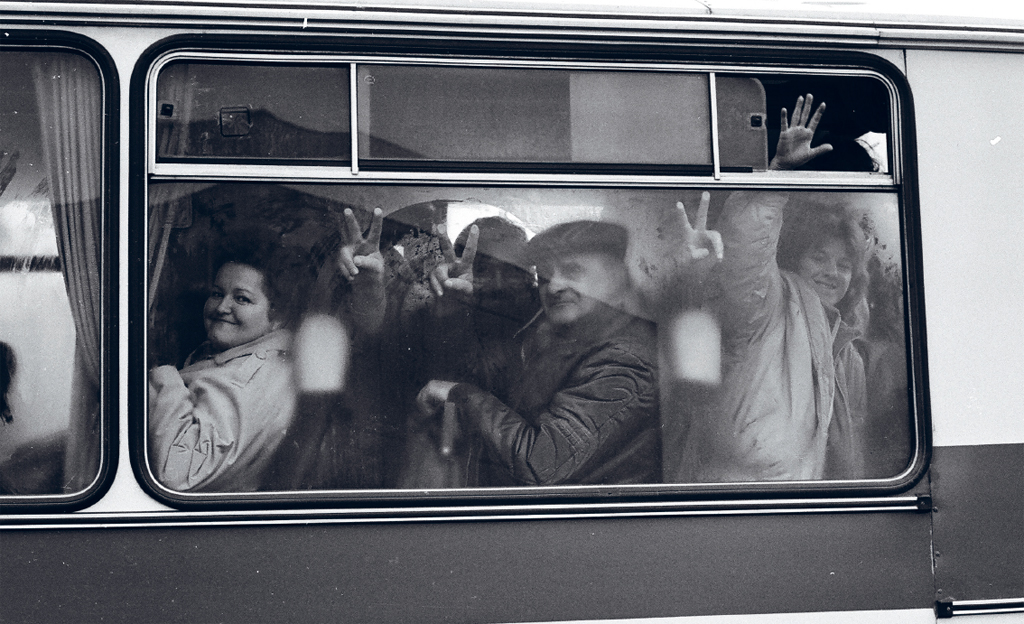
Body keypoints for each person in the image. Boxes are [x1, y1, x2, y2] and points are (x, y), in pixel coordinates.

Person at [670, 94, 870, 482]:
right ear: (794, 257)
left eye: (844, 265)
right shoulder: (772, 301)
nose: (833, 273)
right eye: (819, 257)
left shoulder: (846, 346)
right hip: (740, 502)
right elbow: (747, 254)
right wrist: (776, 178)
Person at [414, 220, 661, 486]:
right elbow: (482, 377)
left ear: (615, 279)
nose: (553, 286)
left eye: (572, 271)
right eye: (544, 274)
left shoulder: (626, 361)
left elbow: (540, 463)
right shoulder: (557, 334)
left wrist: (461, 395)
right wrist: (453, 308)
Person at [148, 230, 311, 492]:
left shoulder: (245, 377)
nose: (222, 307)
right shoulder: (239, 355)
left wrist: (165, 378)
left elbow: (178, 473)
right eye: (216, 293)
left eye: (241, 298)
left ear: (278, 315)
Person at [390, 215, 540, 487]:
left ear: (531, 274)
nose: (497, 282)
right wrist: (449, 312)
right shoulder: (436, 316)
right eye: (484, 269)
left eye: (512, 270)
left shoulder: (551, 320)